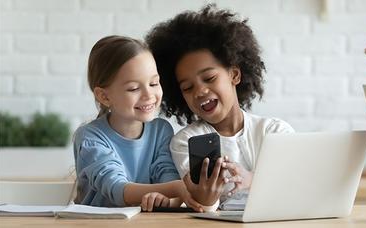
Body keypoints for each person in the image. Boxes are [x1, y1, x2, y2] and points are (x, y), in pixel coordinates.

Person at [146, 5, 294, 211]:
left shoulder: (275, 131)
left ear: (235, 75)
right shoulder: (185, 142)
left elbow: (295, 189)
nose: (199, 91)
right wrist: (205, 198)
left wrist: (252, 180)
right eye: (188, 87)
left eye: (209, 78)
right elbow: (202, 208)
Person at [73, 35, 202, 212]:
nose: (149, 95)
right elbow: (117, 189)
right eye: (134, 88)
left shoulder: (160, 131)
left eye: (154, 83)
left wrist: (165, 200)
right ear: (104, 96)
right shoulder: (90, 137)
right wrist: (176, 188)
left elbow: (167, 177)